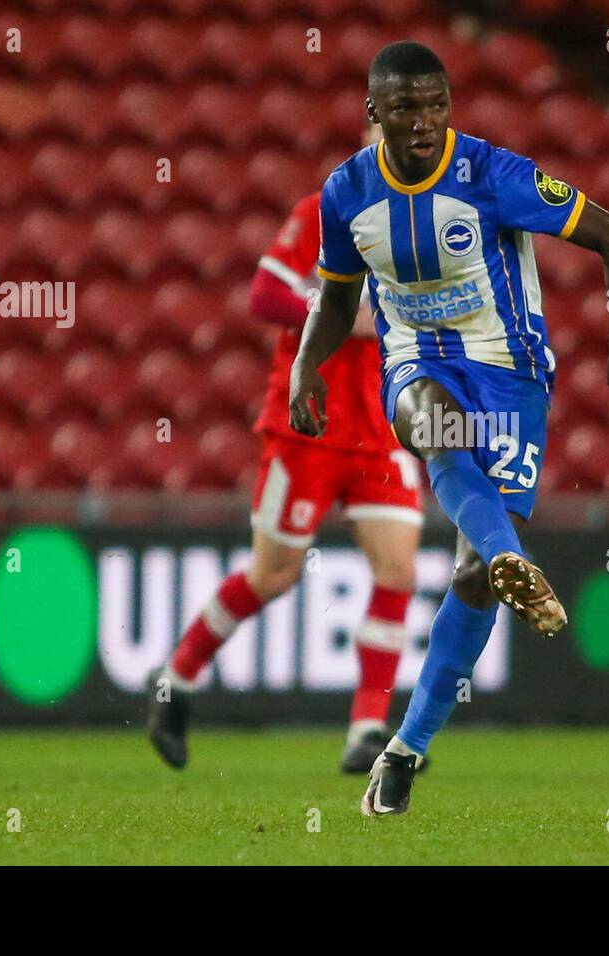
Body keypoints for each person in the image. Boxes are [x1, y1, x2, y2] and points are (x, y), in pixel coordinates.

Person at [287, 41, 609, 815]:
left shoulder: (493, 176)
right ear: (373, 113)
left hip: (512, 374)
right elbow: (333, 298)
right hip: (416, 361)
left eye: (436, 106)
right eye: (406, 107)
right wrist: (305, 367)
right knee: (432, 425)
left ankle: (404, 749)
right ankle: (510, 555)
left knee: (469, 580)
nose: (423, 123)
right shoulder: (346, 194)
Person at [147, 126, 425, 775]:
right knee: (274, 575)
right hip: (307, 426)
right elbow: (265, 294)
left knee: (399, 573)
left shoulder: (427, 230)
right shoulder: (320, 214)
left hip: (381, 428)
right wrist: (335, 309)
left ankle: (368, 730)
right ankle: (177, 677)